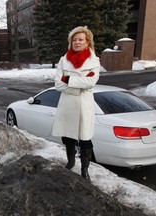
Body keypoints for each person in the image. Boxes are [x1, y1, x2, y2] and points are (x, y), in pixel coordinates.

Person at [52, 26, 100, 181]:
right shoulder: (63, 60)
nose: (77, 42)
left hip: (84, 105)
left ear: (87, 42)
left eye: (80, 39)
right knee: (68, 137)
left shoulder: (94, 61)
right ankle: (71, 161)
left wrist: (69, 80)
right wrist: (80, 86)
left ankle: (85, 170)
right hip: (67, 105)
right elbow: (58, 85)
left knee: (85, 139)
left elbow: (91, 82)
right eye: (74, 39)